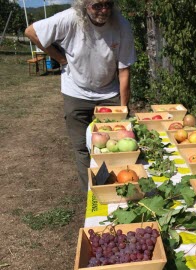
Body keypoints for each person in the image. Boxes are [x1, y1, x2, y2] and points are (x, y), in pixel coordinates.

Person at [25, 0, 137, 191]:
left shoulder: (122, 25)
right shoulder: (69, 19)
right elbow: (31, 31)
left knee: (117, 145)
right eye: (97, 5)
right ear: (84, 5)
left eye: (108, 4)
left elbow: (124, 70)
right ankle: (92, 194)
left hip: (109, 91)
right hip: (75, 91)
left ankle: (118, 188)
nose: (104, 10)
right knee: (81, 148)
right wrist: (60, 58)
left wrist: (123, 108)